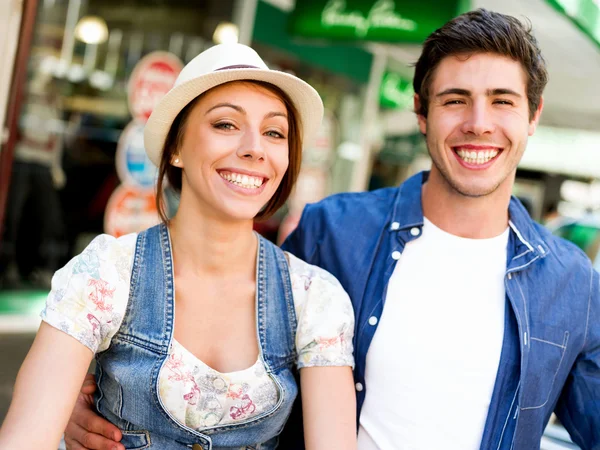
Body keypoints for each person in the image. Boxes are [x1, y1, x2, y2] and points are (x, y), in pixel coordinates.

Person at [64, 8, 600, 450]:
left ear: (533, 115)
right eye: (454, 99)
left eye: (502, 101)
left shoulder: (572, 281)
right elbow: (220, 350)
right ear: (420, 111)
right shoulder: (334, 232)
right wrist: (85, 401)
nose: (478, 122)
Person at [0, 43, 357, 450]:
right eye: (226, 124)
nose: (255, 148)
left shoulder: (315, 298)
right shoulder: (107, 273)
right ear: (175, 147)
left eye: (275, 132)